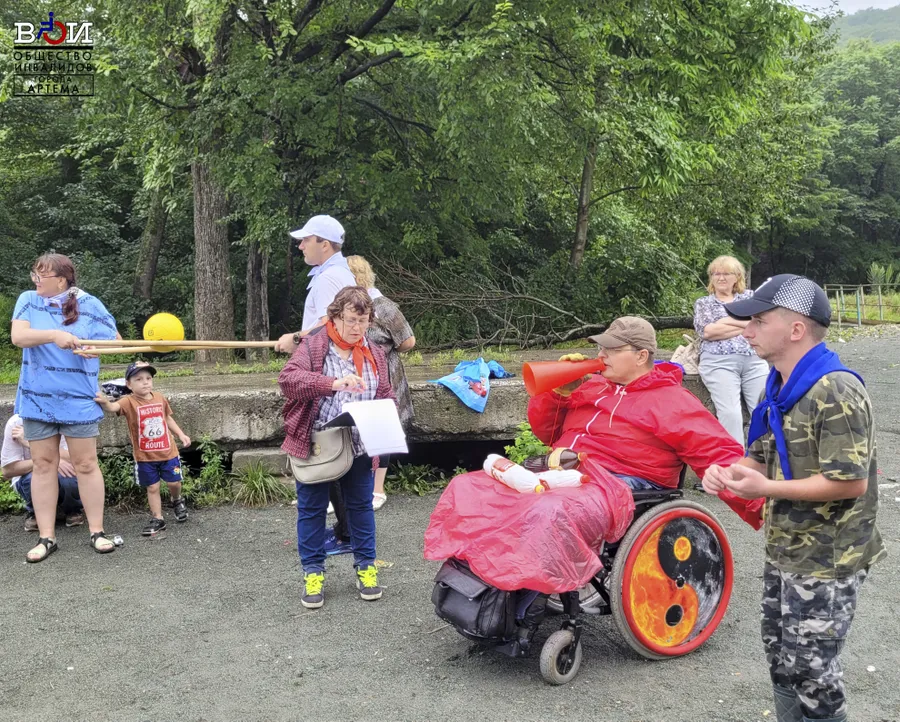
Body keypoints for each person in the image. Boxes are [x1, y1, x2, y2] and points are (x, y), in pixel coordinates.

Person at [702, 274, 885, 722]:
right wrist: (727, 472)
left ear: (796, 329)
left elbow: (850, 483)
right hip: (787, 546)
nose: (747, 331)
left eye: (759, 322)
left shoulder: (835, 389)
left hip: (829, 554)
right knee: (782, 656)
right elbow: (761, 457)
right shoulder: (779, 384)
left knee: (813, 671)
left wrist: (764, 488)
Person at [278, 286, 397, 609]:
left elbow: (385, 392)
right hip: (317, 442)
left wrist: (387, 414)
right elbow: (288, 380)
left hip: (358, 443)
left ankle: (366, 568)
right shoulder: (315, 346)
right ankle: (313, 573)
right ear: (335, 316)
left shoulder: (374, 352)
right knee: (312, 509)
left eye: (363, 320)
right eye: (350, 320)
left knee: (361, 507)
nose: (357, 328)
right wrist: (331, 384)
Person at [528, 316, 744, 491]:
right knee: (509, 492)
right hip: (565, 471)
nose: (601, 356)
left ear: (641, 356)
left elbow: (718, 452)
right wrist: (557, 393)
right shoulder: (589, 385)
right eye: (601, 348)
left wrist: (757, 502)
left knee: (549, 509)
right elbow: (548, 433)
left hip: (622, 481)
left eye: (612, 349)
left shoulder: (671, 399)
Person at [11, 253, 119, 562]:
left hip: (79, 399)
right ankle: (47, 538)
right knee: (43, 465)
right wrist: (55, 335)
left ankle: (97, 532)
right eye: (34, 275)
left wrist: (95, 348)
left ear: (61, 280)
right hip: (37, 398)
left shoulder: (90, 304)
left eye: (41, 276)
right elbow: (19, 337)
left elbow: (115, 340)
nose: (35, 281)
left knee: (86, 465)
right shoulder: (29, 300)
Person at [346, 255, 416, 510]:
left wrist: (381, 351)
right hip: (353, 376)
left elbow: (408, 341)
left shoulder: (382, 306)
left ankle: (377, 489)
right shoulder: (341, 307)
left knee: (381, 427)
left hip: (383, 372)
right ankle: (353, 486)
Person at [95, 361, 192, 537]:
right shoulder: (128, 401)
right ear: (128, 384)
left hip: (169, 453)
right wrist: (104, 402)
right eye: (138, 379)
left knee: (174, 483)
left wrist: (181, 434)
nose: (145, 382)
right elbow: (113, 407)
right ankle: (158, 518)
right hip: (145, 457)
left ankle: (176, 500)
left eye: (148, 378)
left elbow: (167, 418)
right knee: (152, 488)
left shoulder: (160, 397)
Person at [694, 255, 769, 446]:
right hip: (718, 362)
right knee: (730, 414)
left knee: (764, 410)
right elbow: (707, 332)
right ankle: (735, 460)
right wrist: (746, 324)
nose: (721, 278)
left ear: (737, 277)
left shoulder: (749, 297)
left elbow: (762, 324)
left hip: (754, 360)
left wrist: (725, 321)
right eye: (716, 274)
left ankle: (767, 457)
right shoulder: (704, 303)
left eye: (726, 273)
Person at [273, 215, 356, 354]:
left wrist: (295, 339)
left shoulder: (328, 278)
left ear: (324, 245)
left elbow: (330, 326)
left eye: (306, 240)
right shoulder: (341, 272)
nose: (301, 246)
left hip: (328, 360)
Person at [1, 414, 84, 531]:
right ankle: (35, 512)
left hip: (63, 473)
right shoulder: (16, 422)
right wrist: (45, 462)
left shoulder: (66, 416)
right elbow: (7, 471)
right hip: (30, 475)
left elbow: (78, 459)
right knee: (33, 478)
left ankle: (73, 510)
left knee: (68, 477)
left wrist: (31, 443)